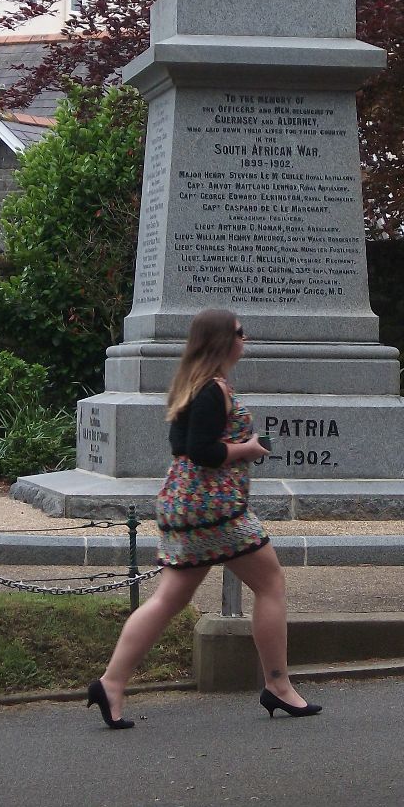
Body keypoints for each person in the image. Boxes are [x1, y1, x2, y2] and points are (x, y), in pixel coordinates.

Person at [86, 309, 322, 728]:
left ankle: (111, 683)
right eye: (240, 333)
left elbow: (183, 447)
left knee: (168, 600)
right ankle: (278, 685)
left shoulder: (192, 385)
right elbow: (202, 451)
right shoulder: (212, 390)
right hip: (216, 511)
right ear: (222, 341)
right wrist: (248, 449)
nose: (246, 339)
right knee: (270, 584)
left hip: (188, 505)